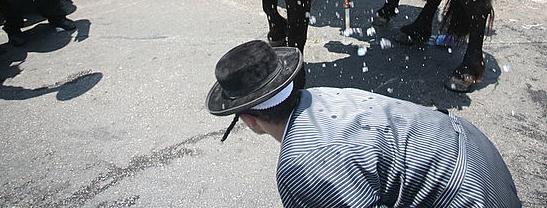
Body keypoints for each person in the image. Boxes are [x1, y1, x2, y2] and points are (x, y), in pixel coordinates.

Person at [206, 40, 522, 208]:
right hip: (479, 156)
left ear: (249, 120)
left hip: (468, 198)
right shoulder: (321, 95)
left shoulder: (299, 165)